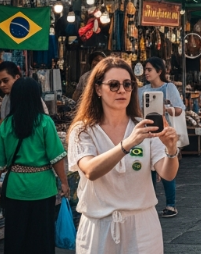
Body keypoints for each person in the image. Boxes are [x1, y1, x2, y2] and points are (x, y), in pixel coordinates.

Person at [68, 57, 179, 253]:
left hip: (142, 226)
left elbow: (167, 173)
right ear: (98, 89)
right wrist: (128, 143)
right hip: (98, 225)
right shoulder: (83, 130)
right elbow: (90, 170)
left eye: (127, 85)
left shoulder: (144, 126)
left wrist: (171, 150)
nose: (122, 90)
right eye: (113, 85)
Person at [0, 78, 69, 254]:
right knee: (41, 237)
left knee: (16, 237)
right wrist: (64, 182)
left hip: (14, 188)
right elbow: (56, 157)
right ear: (36, 97)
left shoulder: (6, 125)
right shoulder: (45, 122)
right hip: (43, 188)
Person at [138, 57, 184, 218]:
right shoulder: (141, 90)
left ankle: (171, 204)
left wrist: (165, 108)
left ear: (159, 71)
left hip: (164, 132)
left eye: (149, 69)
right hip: (146, 133)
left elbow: (179, 109)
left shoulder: (168, 87)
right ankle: (149, 202)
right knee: (146, 169)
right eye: (145, 69)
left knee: (166, 167)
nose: (146, 73)